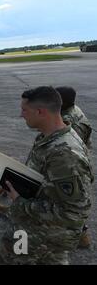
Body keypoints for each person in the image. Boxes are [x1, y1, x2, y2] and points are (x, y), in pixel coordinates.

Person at [0, 87, 94, 265]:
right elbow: (44, 179)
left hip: (42, 238)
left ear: (40, 112)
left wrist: (20, 202)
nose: (21, 115)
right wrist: (14, 179)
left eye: (25, 110)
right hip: (34, 229)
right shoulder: (49, 138)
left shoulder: (65, 155)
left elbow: (74, 213)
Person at [56, 86, 93, 248]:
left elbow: (69, 149)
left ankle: (82, 237)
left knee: (72, 202)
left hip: (73, 165)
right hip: (79, 160)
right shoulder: (74, 109)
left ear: (62, 101)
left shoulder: (70, 120)